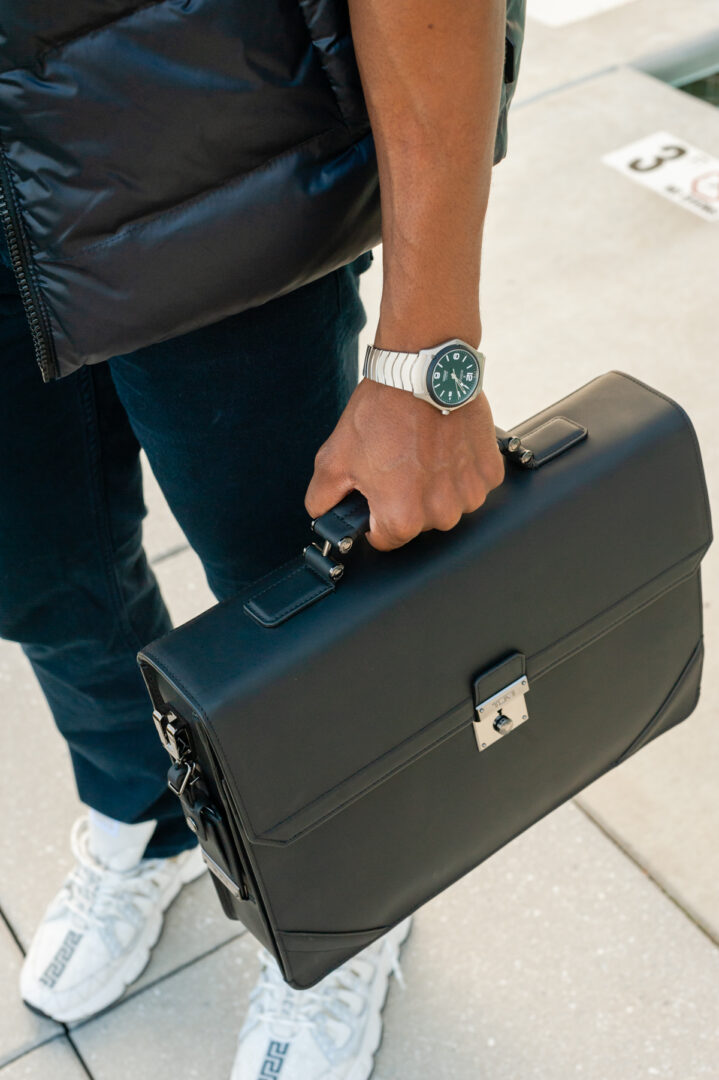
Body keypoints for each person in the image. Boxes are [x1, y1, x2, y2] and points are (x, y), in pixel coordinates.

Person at [0, 1, 524, 1076]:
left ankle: (345, 908)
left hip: (198, 146)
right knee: (40, 570)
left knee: (293, 602)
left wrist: (432, 352)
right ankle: (139, 812)